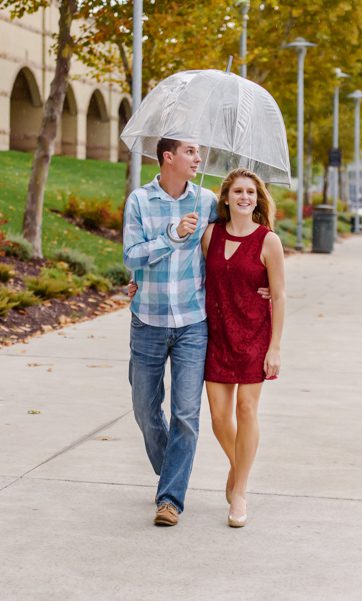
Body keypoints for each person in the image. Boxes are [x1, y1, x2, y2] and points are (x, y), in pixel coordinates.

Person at [122, 137, 214, 527]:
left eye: (199, 152)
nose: (198, 158)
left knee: (187, 415)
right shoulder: (140, 201)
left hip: (193, 321)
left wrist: (262, 279)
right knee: (145, 410)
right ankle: (171, 474)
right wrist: (172, 236)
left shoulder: (207, 201)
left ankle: (171, 499)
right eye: (191, 151)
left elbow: (237, 241)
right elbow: (131, 256)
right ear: (168, 157)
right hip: (148, 319)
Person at [201, 168, 285, 528]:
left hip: (254, 335)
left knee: (247, 410)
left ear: (258, 198)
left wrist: (275, 348)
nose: (245, 197)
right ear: (225, 197)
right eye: (238, 191)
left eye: (251, 192)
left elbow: (279, 295)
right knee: (220, 418)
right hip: (216, 335)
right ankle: (238, 467)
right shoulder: (209, 236)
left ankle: (240, 491)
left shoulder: (269, 241)